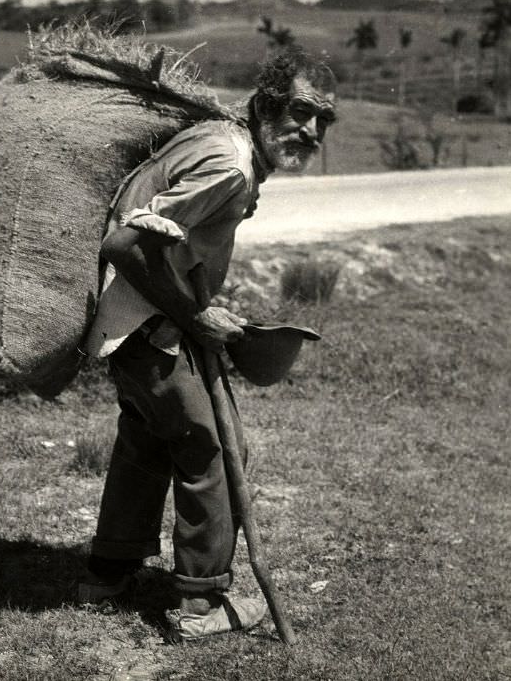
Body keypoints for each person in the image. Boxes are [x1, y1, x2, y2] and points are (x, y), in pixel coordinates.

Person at [82, 48, 337, 641]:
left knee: (147, 442)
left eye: (324, 120)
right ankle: (201, 605)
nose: (312, 130)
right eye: (301, 112)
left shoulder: (223, 138)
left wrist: (197, 312)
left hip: (132, 322)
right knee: (212, 449)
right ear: (267, 105)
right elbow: (126, 245)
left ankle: (105, 576)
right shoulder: (232, 166)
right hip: (147, 324)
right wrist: (197, 318)